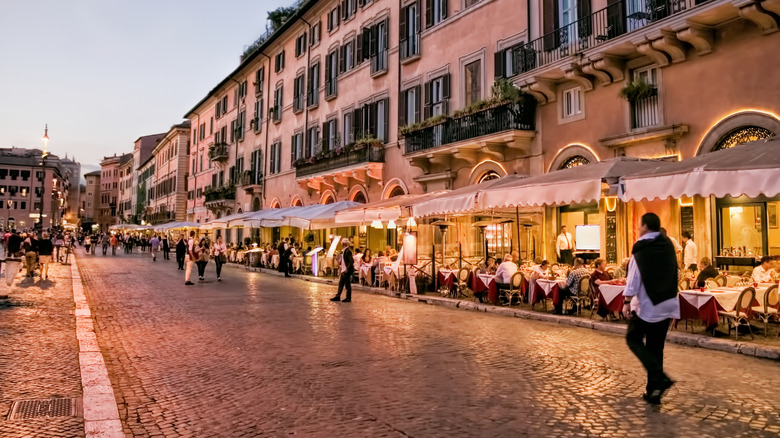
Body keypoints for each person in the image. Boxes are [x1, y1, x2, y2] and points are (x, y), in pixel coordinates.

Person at [623, 213, 679, 405]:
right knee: (656, 347)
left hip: (648, 304)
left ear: (645, 226)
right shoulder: (668, 246)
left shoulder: (641, 249)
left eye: (640, 225)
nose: (639, 229)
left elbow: (634, 277)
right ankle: (654, 392)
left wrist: (626, 300)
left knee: (633, 338)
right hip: (669, 301)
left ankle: (660, 378)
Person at [331, 238, 354, 303]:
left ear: (343, 244)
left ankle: (348, 297)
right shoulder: (344, 251)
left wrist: (347, 269)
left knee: (347, 284)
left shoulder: (348, 251)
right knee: (341, 284)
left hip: (346, 270)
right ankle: (338, 296)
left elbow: (351, 261)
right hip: (343, 269)